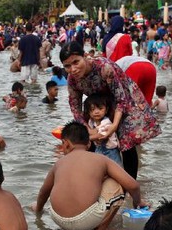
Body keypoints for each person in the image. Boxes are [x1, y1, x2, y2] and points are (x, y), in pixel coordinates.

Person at [60, 41, 160, 180]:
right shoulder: (72, 79)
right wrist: (88, 129)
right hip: (99, 104)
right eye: (67, 66)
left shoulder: (104, 67)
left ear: (86, 56)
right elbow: (75, 107)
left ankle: (129, 186)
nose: (73, 69)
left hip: (123, 100)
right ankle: (94, 180)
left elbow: (121, 99)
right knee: (87, 143)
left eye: (76, 62)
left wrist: (113, 126)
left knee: (126, 143)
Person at [31, 122, 148, 230]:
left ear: (65, 143)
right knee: (115, 182)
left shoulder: (59, 163)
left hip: (58, 219)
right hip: (85, 220)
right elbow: (133, 185)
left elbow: (44, 192)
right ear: (88, 144)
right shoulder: (101, 159)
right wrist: (137, 202)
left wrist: (38, 209)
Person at [85, 94, 121, 166]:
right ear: (88, 112)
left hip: (111, 152)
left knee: (116, 170)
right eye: (92, 109)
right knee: (98, 170)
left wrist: (87, 138)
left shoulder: (106, 122)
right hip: (98, 149)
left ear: (106, 110)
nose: (96, 112)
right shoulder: (91, 122)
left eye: (100, 109)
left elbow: (101, 135)